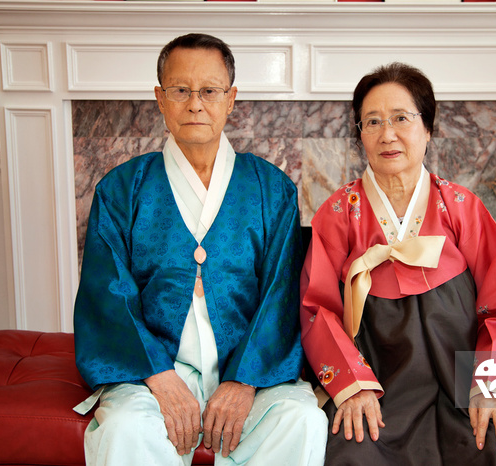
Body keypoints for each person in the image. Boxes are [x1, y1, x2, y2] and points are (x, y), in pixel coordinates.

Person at [300, 62, 496, 465]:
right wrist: (354, 386)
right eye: (372, 122)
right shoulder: (338, 212)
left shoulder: (461, 206)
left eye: (401, 118)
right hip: (380, 371)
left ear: (427, 130)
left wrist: (492, 387)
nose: (387, 134)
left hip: (464, 364)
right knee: (354, 449)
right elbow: (318, 309)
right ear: (359, 135)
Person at [73, 33, 327, 466]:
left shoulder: (271, 189)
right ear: (160, 98)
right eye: (181, 90)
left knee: (301, 419)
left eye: (209, 91)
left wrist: (243, 381)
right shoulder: (122, 189)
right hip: (153, 372)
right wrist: (159, 375)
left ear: (230, 99)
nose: (195, 104)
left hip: (250, 372)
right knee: (125, 429)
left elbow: (282, 294)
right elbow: (108, 293)